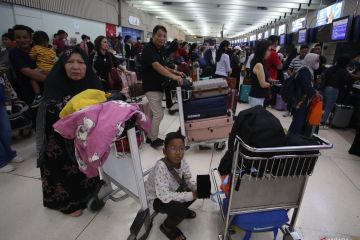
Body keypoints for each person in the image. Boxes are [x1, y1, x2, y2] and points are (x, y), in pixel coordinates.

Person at [36, 47, 103, 217]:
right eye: (70, 62)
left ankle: (88, 194)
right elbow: (53, 110)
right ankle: (67, 203)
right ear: (62, 65)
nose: (75, 66)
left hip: (83, 136)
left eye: (80, 62)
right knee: (62, 167)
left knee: (85, 165)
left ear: (87, 66)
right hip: (57, 140)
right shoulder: (55, 82)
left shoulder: (92, 82)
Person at [145, 131, 197, 240]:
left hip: (172, 190)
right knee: (180, 209)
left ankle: (181, 210)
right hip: (157, 198)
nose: (178, 153)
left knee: (199, 189)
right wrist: (191, 194)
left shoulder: (182, 161)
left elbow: (187, 180)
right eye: (173, 148)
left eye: (182, 148)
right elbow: (164, 197)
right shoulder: (161, 167)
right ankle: (167, 226)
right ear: (164, 151)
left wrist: (198, 189)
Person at [141, 25, 184, 149]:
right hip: (151, 86)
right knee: (159, 114)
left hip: (158, 86)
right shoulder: (148, 49)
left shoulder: (158, 49)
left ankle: (150, 136)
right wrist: (174, 77)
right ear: (153, 35)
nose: (162, 38)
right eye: (159, 35)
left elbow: (163, 65)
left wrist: (176, 72)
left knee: (154, 114)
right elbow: (156, 66)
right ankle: (153, 138)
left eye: (164, 36)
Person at [9, 25, 46, 107]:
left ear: (31, 38)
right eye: (18, 37)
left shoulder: (37, 49)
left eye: (25, 37)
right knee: (37, 115)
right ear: (14, 38)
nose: (22, 40)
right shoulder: (14, 53)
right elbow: (26, 71)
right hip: (31, 92)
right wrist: (52, 80)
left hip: (46, 89)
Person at [321, 55, 360, 127]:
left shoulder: (331, 68)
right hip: (334, 90)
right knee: (329, 107)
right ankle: (322, 122)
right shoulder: (343, 71)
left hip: (326, 88)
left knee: (323, 105)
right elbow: (349, 80)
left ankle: (318, 118)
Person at [288, 53, 322, 135]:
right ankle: (292, 138)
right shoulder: (305, 71)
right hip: (300, 100)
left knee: (299, 120)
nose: (317, 63)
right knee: (298, 120)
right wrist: (315, 92)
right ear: (310, 60)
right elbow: (306, 86)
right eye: (316, 61)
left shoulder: (307, 70)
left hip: (301, 99)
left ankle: (293, 136)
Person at [0, 71, 24, 173]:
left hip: (1, 105)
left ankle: (9, 154)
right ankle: (1, 162)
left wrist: (9, 104)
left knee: (6, 131)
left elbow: (6, 87)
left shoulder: (1, 72)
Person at [29, 31, 56, 108]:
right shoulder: (51, 51)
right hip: (51, 70)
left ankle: (38, 95)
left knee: (32, 78)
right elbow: (53, 60)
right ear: (47, 41)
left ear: (33, 41)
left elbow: (32, 57)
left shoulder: (35, 48)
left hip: (41, 69)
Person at [248, 40, 271, 107]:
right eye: (268, 50)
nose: (270, 53)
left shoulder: (258, 62)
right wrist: (272, 84)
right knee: (256, 116)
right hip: (257, 97)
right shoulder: (259, 64)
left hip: (258, 96)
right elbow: (263, 84)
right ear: (262, 50)